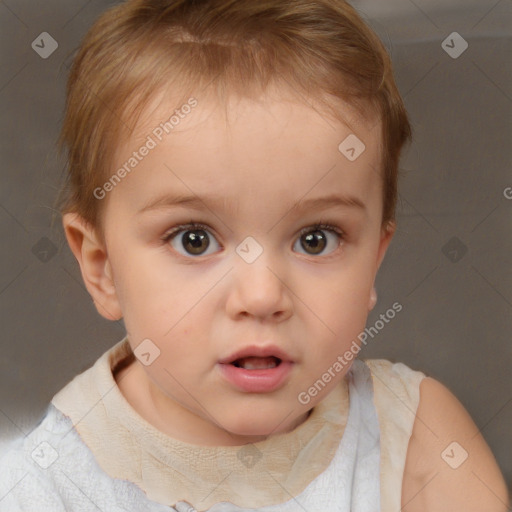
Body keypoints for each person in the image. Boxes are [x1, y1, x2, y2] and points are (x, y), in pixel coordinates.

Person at [0, 0, 509, 510]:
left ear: (374, 261)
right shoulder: (44, 485)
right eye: (194, 239)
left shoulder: (415, 437)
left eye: (316, 239)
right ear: (102, 268)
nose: (263, 296)